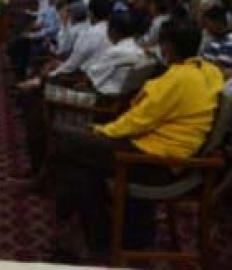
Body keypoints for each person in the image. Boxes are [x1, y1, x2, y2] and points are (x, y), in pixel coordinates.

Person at [51, 20, 223, 258]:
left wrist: (100, 130)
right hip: (164, 152)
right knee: (81, 167)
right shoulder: (209, 71)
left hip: (155, 162)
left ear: (167, 48)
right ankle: (103, 232)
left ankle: (92, 232)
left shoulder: (176, 80)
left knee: (65, 140)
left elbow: (137, 121)